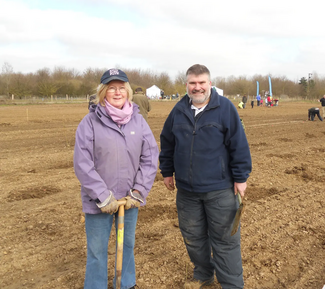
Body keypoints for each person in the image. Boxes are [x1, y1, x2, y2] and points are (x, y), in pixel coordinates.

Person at [159, 64, 252, 289]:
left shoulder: (225, 109)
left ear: (210, 84)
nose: (197, 87)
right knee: (193, 238)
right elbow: (167, 142)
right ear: (187, 85)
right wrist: (167, 171)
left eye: (202, 83)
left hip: (219, 190)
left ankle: (231, 285)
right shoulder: (178, 111)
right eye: (193, 83)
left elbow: (239, 145)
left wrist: (241, 178)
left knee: (225, 241)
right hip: (187, 192)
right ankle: (203, 274)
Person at [74, 68, 159, 289]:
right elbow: (83, 163)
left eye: (122, 88)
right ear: (103, 93)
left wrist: (139, 191)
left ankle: (126, 284)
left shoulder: (139, 121)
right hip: (98, 202)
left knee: (127, 245)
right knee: (97, 251)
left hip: (129, 201)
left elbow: (150, 157)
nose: (117, 92)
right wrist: (103, 196)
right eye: (112, 88)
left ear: (128, 92)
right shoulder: (90, 122)